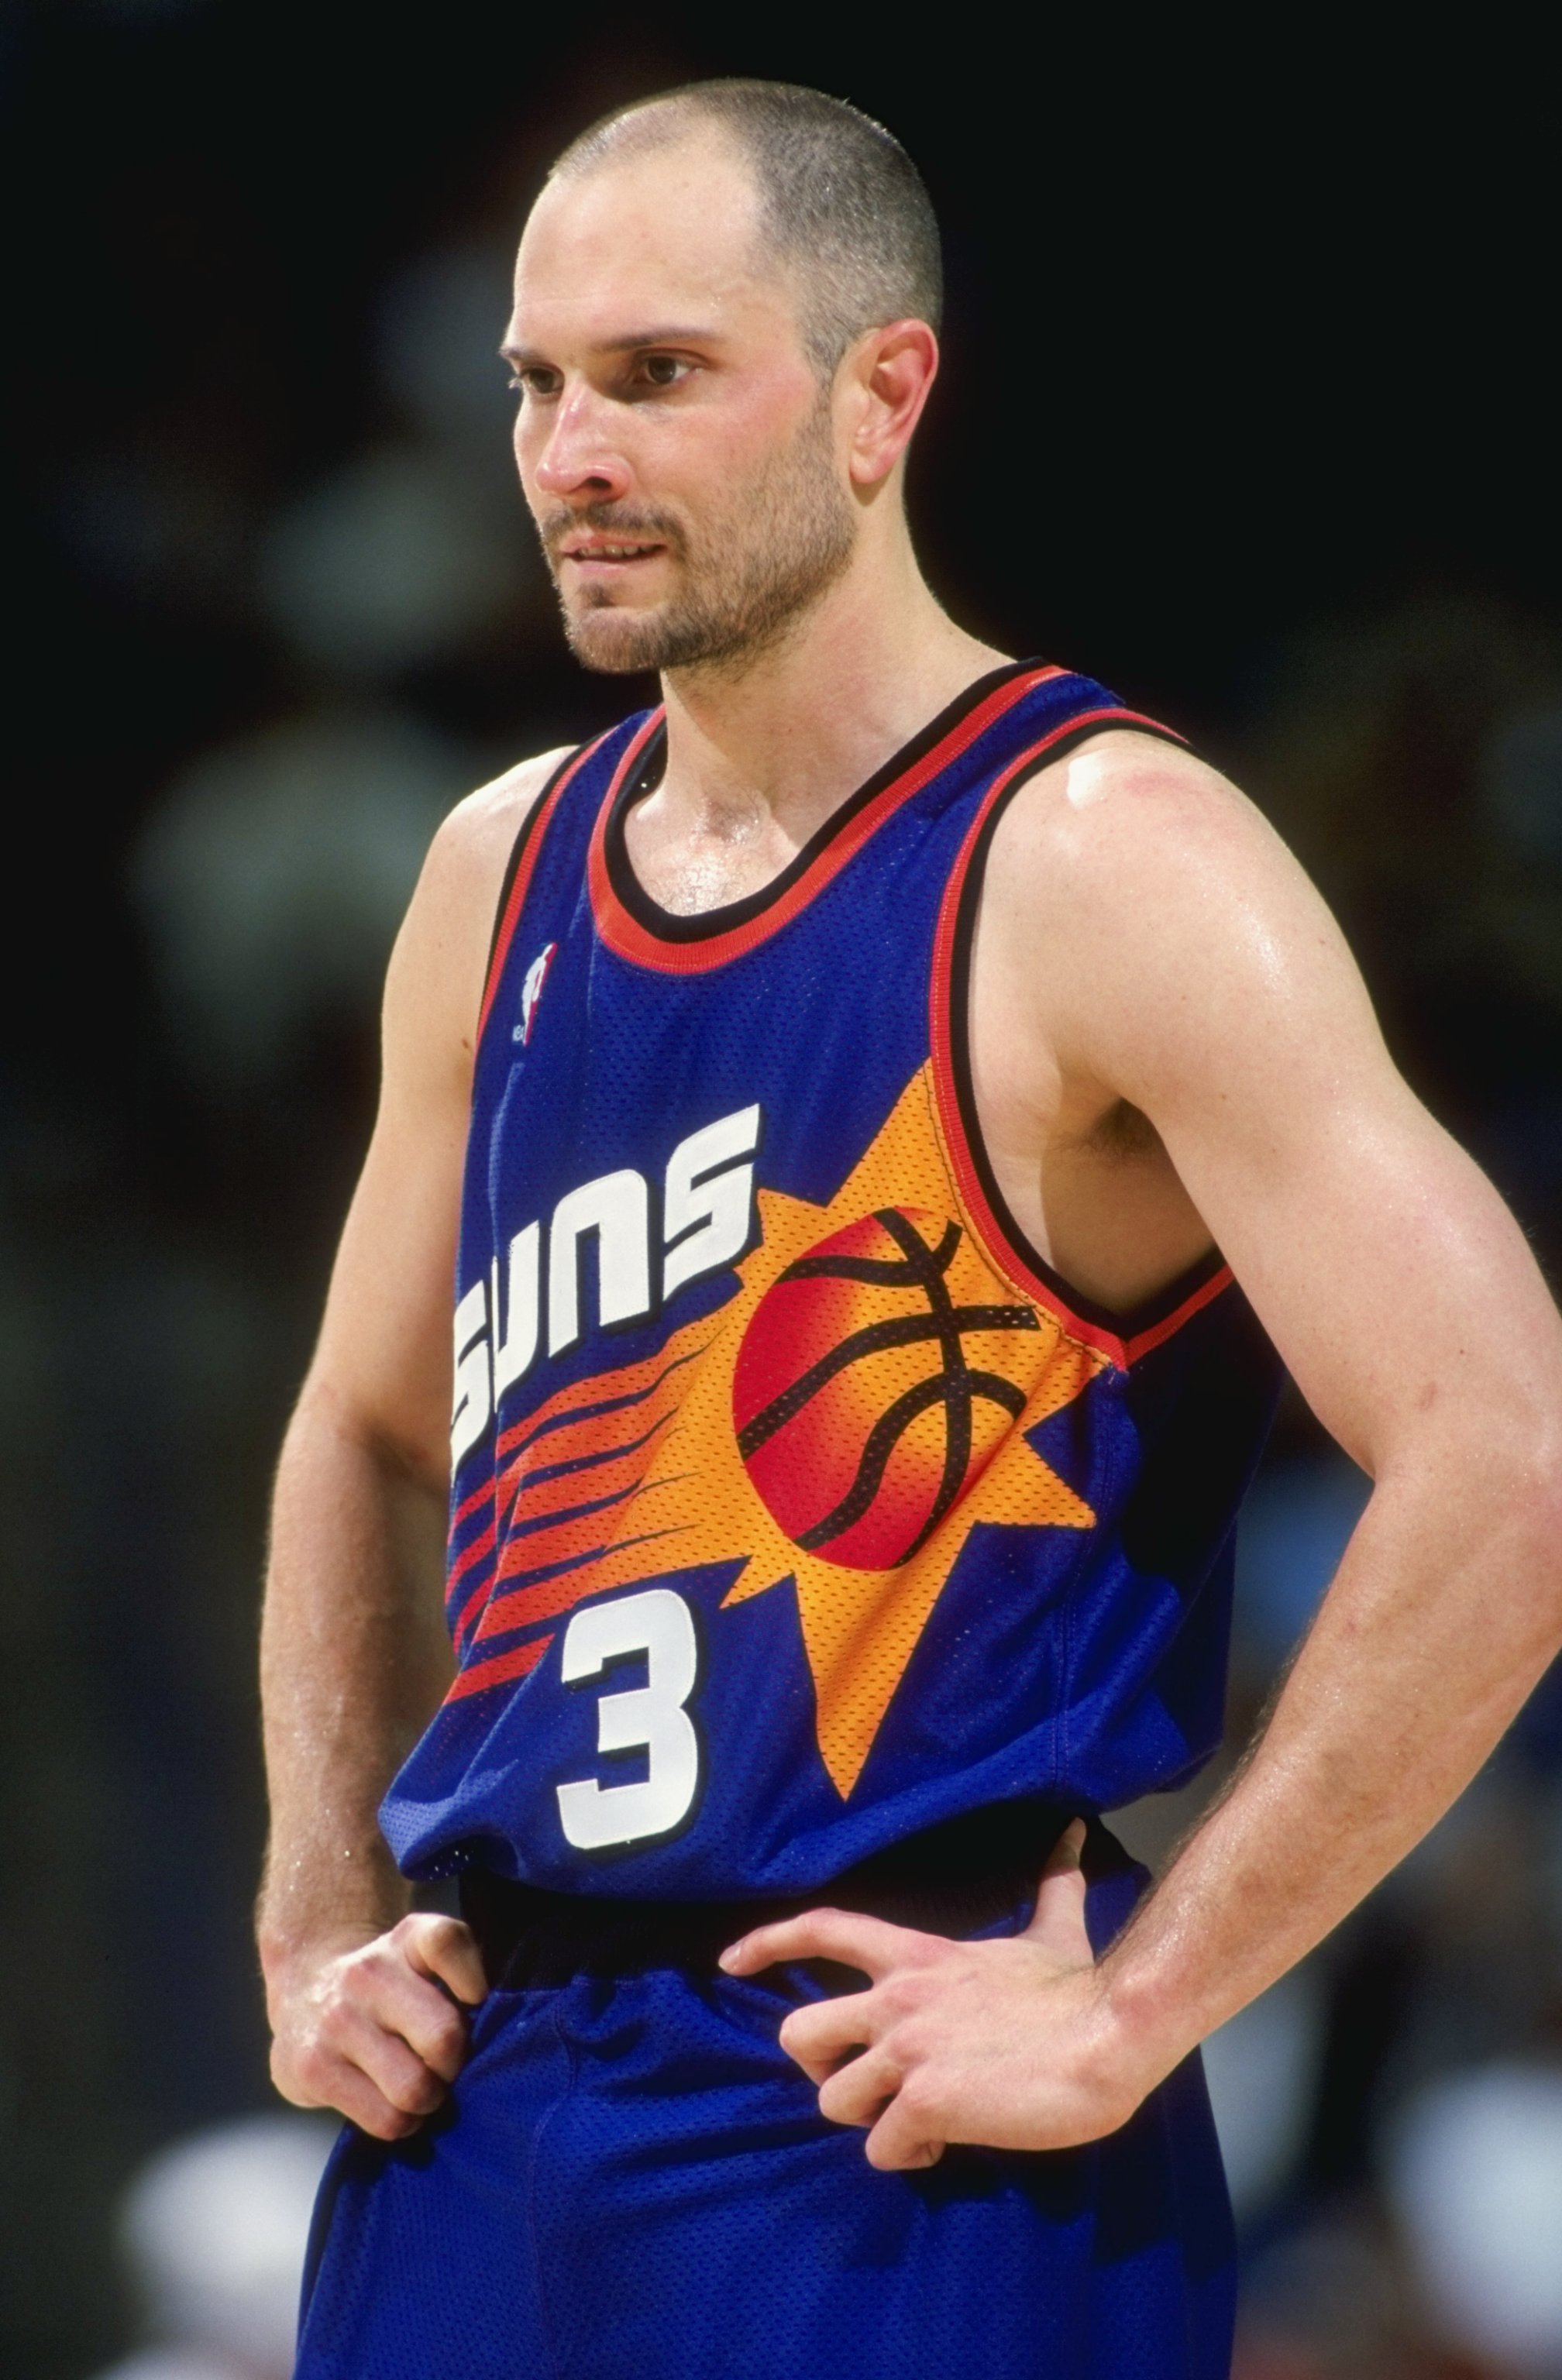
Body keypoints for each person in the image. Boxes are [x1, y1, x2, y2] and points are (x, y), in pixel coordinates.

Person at [258, 79, 1562, 2380]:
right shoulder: (491, 881)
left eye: (658, 374)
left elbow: (1515, 1461)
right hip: (483, 2105)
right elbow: (365, 1429)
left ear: (886, 396)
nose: (571, 452)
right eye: (537, 383)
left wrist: (1140, 2008)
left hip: (890, 2112)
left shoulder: (1104, 860)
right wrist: (313, 1909)